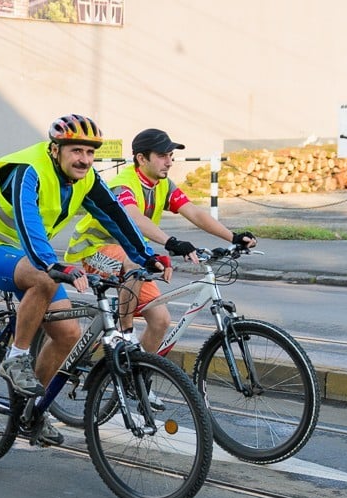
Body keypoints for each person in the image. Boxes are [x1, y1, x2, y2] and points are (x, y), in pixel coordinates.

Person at [0, 114, 172, 445]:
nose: (84, 160)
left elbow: (117, 217)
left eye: (90, 154)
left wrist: (148, 255)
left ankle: (30, 412)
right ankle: (16, 358)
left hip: (32, 256)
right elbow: (28, 220)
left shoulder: (85, 178)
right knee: (45, 280)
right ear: (55, 149)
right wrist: (50, 263)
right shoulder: (27, 169)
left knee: (68, 335)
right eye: (76, 151)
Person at [65, 128, 257, 355]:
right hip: (94, 249)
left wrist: (233, 237)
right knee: (133, 265)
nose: (169, 162)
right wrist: (171, 242)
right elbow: (133, 218)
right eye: (162, 156)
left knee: (161, 321)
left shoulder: (162, 184)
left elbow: (194, 213)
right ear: (141, 158)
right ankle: (125, 336)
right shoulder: (124, 184)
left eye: (171, 156)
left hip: (130, 252)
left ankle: (137, 382)